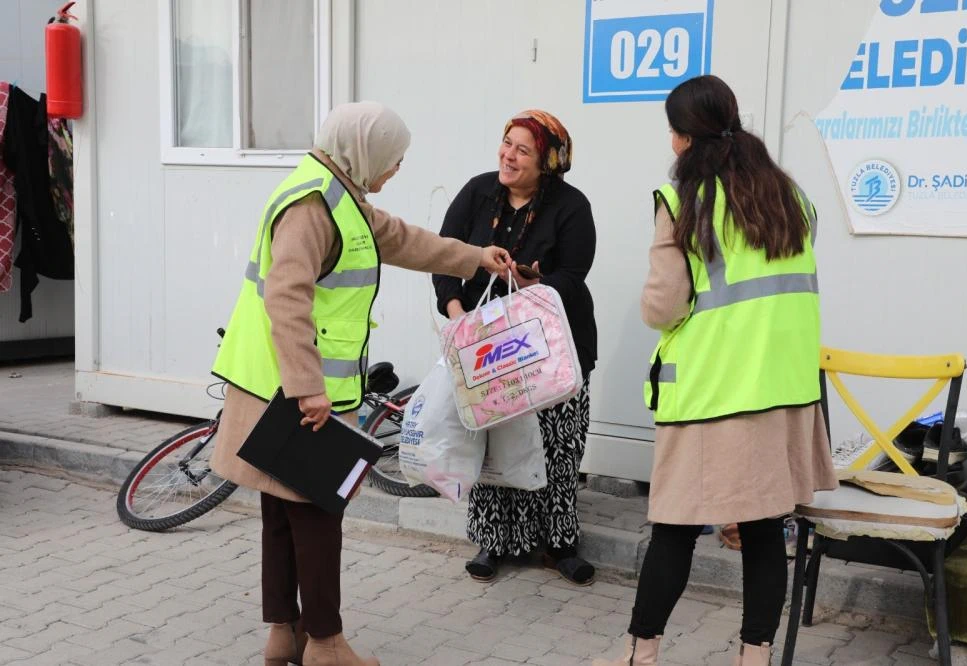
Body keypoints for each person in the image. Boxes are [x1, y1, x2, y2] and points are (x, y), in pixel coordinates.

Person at [209, 102, 511, 666]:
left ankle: (284, 635)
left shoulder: (336, 192)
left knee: (282, 514)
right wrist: (308, 388)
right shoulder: (313, 206)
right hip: (298, 397)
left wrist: (476, 258)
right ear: (364, 151)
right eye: (393, 159)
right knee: (318, 516)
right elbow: (286, 297)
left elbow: (401, 239)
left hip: (276, 389)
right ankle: (325, 645)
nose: (396, 169)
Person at [593, 75, 837, 666]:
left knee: (675, 528)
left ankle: (639, 655)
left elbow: (662, 306)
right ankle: (754, 659)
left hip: (712, 390)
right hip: (784, 389)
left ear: (682, 137)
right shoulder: (790, 196)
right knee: (762, 531)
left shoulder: (684, 200)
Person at [432, 109, 598, 586]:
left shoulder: (571, 206)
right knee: (493, 441)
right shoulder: (477, 192)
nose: (508, 156)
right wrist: (457, 315)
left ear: (547, 162)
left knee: (556, 446)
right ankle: (494, 541)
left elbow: (574, 275)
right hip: (488, 348)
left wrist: (535, 284)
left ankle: (560, 544)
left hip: (553, 347)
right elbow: (444, 256)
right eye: (507, 143)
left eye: (523, 150)